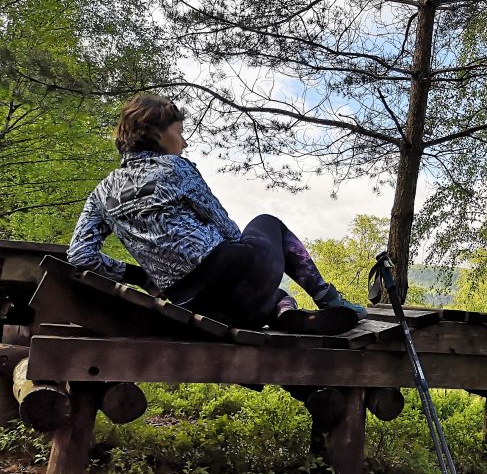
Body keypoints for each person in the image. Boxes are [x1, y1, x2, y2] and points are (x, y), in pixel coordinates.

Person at [67, 93, 367, 334]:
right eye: (179, 133)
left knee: (271, 297)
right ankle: (330, 300)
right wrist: (255, 262)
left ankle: (290, 317)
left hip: (195, 304)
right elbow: (225, 226)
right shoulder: (175, 167)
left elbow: (80, 255)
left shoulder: (101, 194)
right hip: (229, 271)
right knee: (268, 223)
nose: (184, 142)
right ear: (154, 134)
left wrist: (141, 275)